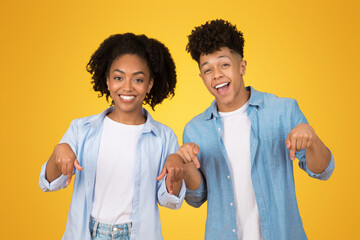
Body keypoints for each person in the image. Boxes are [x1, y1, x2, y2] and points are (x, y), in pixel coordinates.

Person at [175, 19, 335, 240]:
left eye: (224, 64)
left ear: (242, 67)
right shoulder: (195, 129)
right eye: (207, 69)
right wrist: (186, 165)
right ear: (202, 77)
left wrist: (312, 138)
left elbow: (323, 171)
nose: (217, 75)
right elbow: (196, 198)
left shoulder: (282, 110)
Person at [39, 33, 186, 240]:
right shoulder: (81, 129)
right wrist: (58, 153)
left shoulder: (163, 137)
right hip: (85, 234)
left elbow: (170, 200)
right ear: (107, 81)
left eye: (138, 79)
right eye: (118, 78)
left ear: (150, 84)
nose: (127, 87)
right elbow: (48, 183)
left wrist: (177, 171)